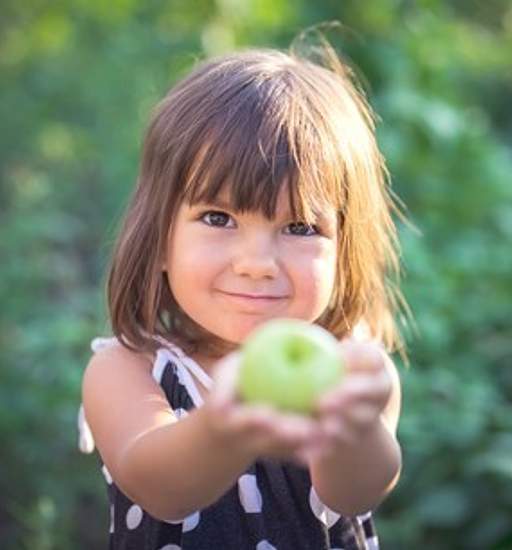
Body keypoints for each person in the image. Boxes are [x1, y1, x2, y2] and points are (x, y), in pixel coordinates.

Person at [79, 44, 409, 550]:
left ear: (344, 250)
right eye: (218, 218)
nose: (257, 263)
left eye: (300, 227)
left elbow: (354, 493)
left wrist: (355, 425)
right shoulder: (126, 370)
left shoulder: (350, 370)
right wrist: (226, 427)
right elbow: (161, 489)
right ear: (159, 237)